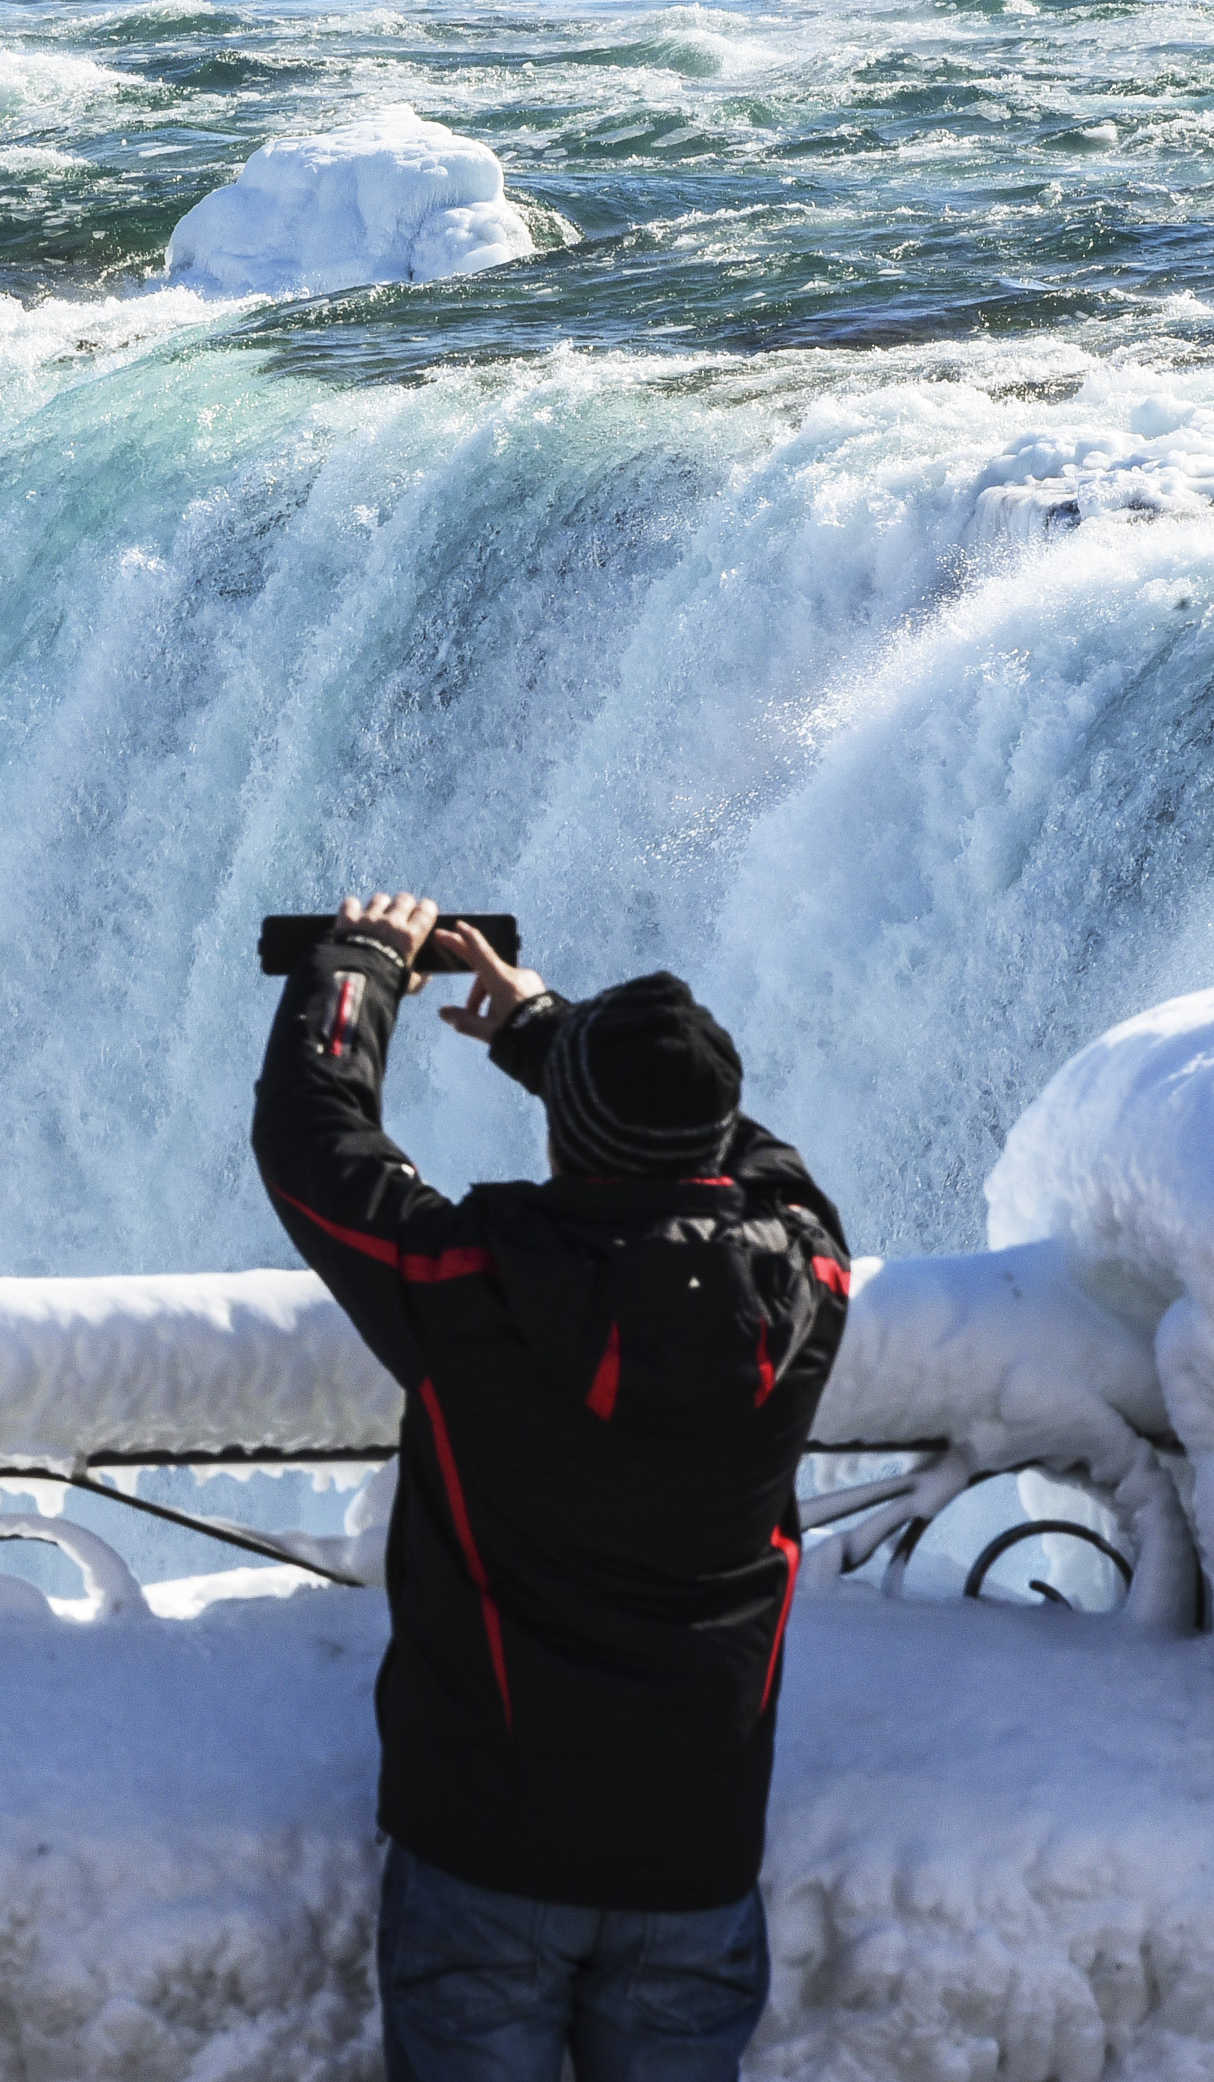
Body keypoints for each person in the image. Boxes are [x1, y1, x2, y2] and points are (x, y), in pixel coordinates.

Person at [252, 892, 852, 2082]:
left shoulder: (473, 1288)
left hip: (487, 1845)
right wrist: (554, 1041)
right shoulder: (801, 1293)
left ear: (567, 1134)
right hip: (696, 1852)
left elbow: (313, 1140)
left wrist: (358, 965)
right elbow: (768, 1168)